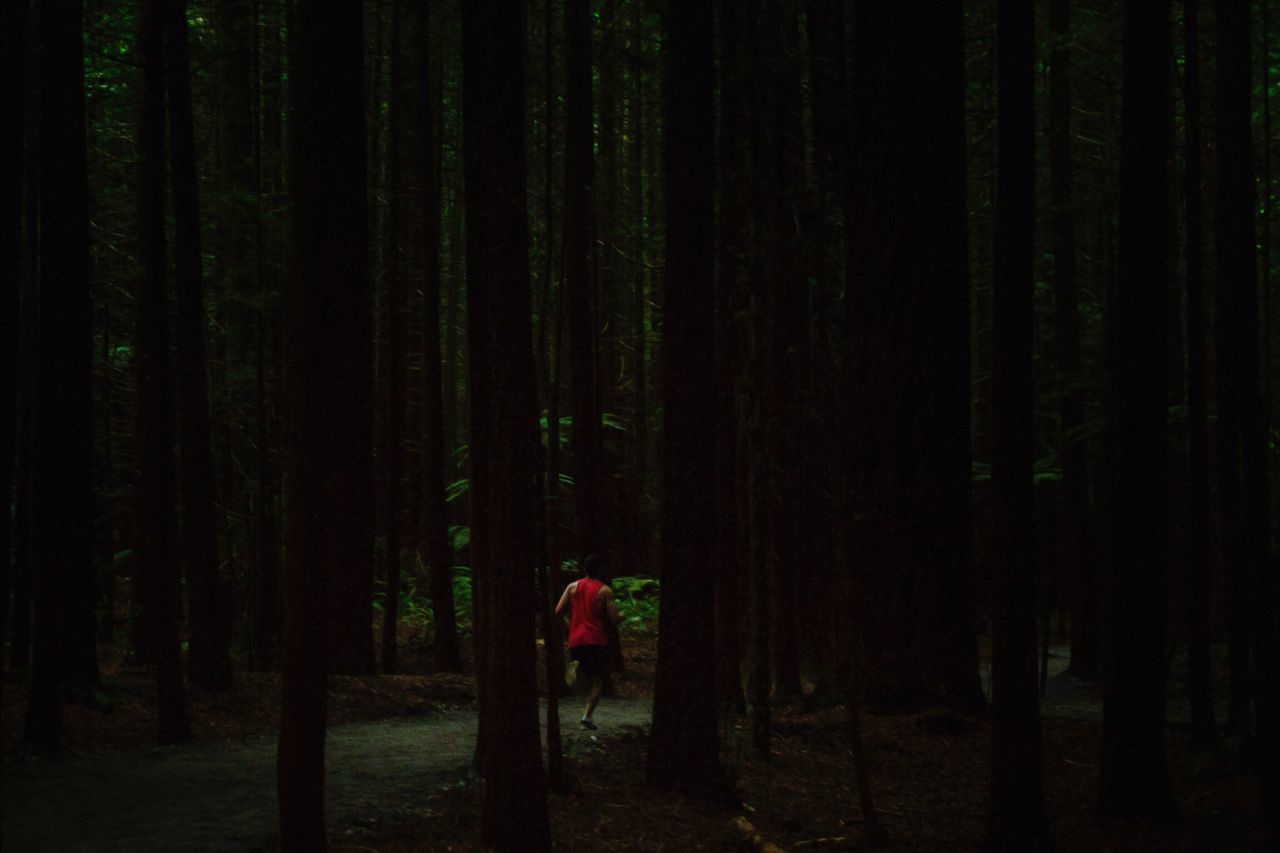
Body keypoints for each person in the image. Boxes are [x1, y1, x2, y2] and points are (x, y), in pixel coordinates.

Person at [554, 553, 621, 729]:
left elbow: (558, 611)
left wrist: (569, 626)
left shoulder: (572, 587)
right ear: (600, 570)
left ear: (584, 568)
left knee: (584, 669)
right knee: (598, 681)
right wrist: (622, 616)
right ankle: (587, 716)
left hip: (575, 639)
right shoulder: (605, 590)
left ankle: (575, 675)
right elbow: (615, 619)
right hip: (596, 640)